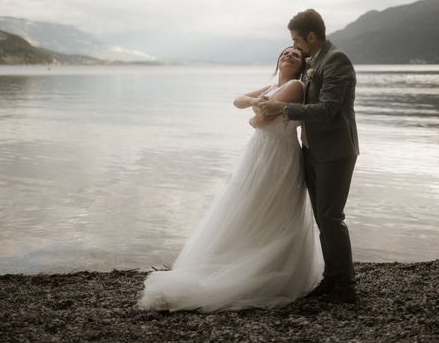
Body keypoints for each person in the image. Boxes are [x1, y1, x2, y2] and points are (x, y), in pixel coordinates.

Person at [138, 47, 323, 312]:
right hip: (261, 152)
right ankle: (237, 258)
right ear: (278, 60)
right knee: (246, 205)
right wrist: (253, 101)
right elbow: (238, 100)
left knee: (266, 207)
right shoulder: (274, 85)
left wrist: (256, 109)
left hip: (277, 155)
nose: (289, 56)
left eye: (296, 54)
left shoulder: (296, 86)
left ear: (302, 64)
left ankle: (263, 267)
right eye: (285, 52)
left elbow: (258, 121)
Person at [259, 9, 359, 304]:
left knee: (331, 217)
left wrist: (284, 110)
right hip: (312, 149)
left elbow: (328, 109)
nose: (295, 46)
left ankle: (345, 287)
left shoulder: (336, 60)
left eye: (296, 40)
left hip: (336, 150)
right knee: (321, 217)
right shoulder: (314, 61)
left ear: (311, 37)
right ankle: (331, 278)